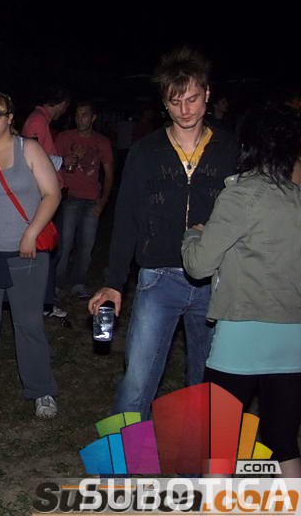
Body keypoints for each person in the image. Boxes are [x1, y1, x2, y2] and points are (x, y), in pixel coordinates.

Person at [88, 46, 238, 420]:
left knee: (207, 383)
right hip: (158, 279)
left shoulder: (229, 149)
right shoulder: (146, 152)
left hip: (214, 280)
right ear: (164, 103)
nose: (185, 109)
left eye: (192, 99)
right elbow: (126, 220)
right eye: (175, 101)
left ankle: (199, 455)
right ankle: (124, 455)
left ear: (207, 94)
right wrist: (114, 282)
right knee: (137, 383)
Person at [182, 109, 301, 478]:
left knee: (218, 443)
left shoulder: (242, 193)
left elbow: (199, 265)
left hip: (243, 333)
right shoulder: (297, 196)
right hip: (292, 335)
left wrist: (193, 235)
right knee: (283, 440)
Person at [0, 92, 61, 420]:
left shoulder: (28, 149)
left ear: (10, 117)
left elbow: (52, 193)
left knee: (29, 323)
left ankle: (41, 389)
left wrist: (32, 232)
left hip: (26, 254)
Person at [54, 101, 113, 300]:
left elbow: (109, 173)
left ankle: (78, 283)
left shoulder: (101, 142)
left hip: (92, 200)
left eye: (85, 115)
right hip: (69, 197)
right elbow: (51, 163)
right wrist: (67, 161)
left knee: (86, 246)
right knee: (65, 244)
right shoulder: (65, 138)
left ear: (93, 118)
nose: (80, 119)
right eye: (78, 115)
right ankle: (57, 283)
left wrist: (103, 201)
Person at [21, 86, 71, 321]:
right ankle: (43, 302)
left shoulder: (41, 120)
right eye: (66, 106)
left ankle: (43, 300)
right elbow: (33, 157)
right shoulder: (37, 121)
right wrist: (63, 161)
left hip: (47, 192)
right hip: (43, 195)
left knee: (49, 249)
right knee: (46, 248)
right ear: (61, 103)